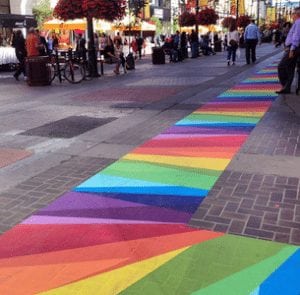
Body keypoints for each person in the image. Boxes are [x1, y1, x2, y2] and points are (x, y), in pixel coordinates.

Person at [276, 7, 300, 94]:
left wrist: (292, 49)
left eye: (293, 13)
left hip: (294, 48)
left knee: (281, 66)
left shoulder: (298, 22)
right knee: (290, 68)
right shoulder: (296, 23)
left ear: (297, 14)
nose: (292, 15)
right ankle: (287, 88)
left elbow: (296, 37)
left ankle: (285, 85)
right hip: (292, 47)